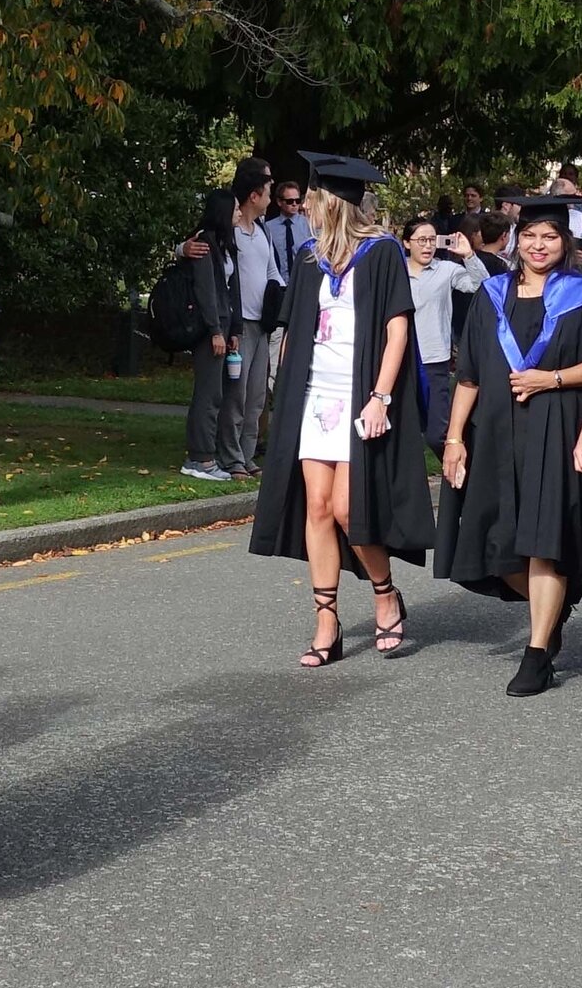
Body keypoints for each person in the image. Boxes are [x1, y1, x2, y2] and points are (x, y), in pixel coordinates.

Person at [440, 194, 582, 697]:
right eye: (530, 236)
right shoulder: (490, 295)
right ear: (517, 241)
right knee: (499, 547)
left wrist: (555, 379)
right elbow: (471, 375)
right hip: (497, 433)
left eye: (549, 237)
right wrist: (455, 437)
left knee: (543, 543)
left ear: (564, 242)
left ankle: (538, 651)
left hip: (555, 428)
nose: (538, 245)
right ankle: (555, 606)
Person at [247, 155, 428, 661]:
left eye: (311, 199)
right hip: (314, 397)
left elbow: (397, 332)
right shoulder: (308, 259)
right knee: (318, 508)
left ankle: (384, 592)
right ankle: (326, 620)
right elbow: (296, 332)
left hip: (359, 397)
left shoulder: (382, 253)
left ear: (333, 203)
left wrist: (380, 397)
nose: (304, 206)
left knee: (350, 508)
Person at [403, 212, 486, 476]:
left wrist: (468, 255)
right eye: (421, 240)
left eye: (431, 240)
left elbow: (481, 285)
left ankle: (460, 473)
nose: (427, 246)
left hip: (434, 360)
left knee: (437, 432)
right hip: (400, 359)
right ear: (407, 243)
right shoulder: (394, 269)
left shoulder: (445, 269)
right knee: (404, 432)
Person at [173, 187, 241, 483]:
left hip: (224, 325)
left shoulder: (224, 245)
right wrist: (215, 330)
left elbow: (228, 289)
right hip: (210, 328)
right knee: (209, 392)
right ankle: (200, 457)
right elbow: (206, 291)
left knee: (218, 391)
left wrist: (232, 330)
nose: (239, 214)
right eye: (235, 209)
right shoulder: (204, 245)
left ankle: (206, 454)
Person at [226, 158, 284, 478]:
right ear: (253, 195)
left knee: (257, 397)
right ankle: (232, 457)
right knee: (237, 394)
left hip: (262, 324)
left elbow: (272, 272)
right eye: (268, 187)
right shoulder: (231, 229)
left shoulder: (262, 230)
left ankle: (248, 456)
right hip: (239, 324)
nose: (271, 192)